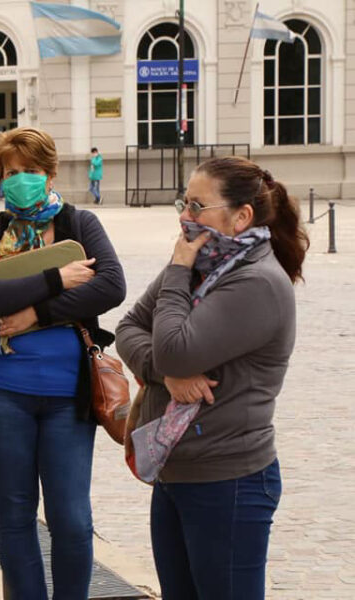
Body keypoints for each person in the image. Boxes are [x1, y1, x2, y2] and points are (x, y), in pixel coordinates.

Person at [0, 127, 127, 599]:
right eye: (11, 171)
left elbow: (110, 287)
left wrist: (33, 313)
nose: (20, 179)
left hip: (69, 397)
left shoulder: (79, 225)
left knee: (72, 519)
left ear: (49, 173)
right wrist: (58, 277)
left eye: (30, 170)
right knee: (15, 517)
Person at [115, 156, 308, 600]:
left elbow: (172, 348)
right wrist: (171, 377)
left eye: (197, 206)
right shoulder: (201, 259)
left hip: (228, 480)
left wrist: (179, 272)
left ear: (241, 217)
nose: (185, 217)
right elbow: (129, 328)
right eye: (185, 204)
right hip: (175, 471)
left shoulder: (256, 282)